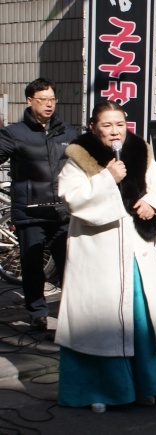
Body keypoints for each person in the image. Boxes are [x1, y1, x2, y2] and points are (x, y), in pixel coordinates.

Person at [55, 101, 156, 412]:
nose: (114, 131)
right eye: (107, 125)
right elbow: (74, 200)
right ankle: (98, 390)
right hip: (99, 253)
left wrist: (152, 202)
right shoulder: (77, 158)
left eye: (119, 124)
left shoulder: (141, 150)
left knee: (141, 319)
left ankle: (145, 384)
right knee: (100, 323)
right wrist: (106, 178)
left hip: (136, 252)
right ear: (93, 127)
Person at [0, 78, 77, 331]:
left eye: (52, 99)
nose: (48, 104)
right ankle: (37, 313)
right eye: (42, 99)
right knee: (33, 266)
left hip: (62, 212)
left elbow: (83, 166)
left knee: (70, 263)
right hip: (30, 213)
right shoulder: (14, 133)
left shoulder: (67, 132)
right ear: (29, 101)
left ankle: (73, 310)